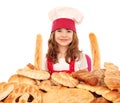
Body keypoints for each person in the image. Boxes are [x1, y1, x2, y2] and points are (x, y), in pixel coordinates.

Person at [42, 7, 91, 74]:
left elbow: (86, 78)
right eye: (59, 31)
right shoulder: (45, 58)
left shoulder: (80, 56)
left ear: (73, 35)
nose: (64, 35)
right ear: (53, 34)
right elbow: (42, 80)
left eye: (68, 31)